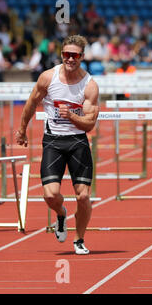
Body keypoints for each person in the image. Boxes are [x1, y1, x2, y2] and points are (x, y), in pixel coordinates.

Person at [15, 35, 99, 255]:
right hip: (53, 142)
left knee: (83, 197)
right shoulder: (47, 78)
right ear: (61, 54)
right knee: (50, 195)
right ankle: (61, 214)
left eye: (75, 55)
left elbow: (89, 125)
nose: (70, 59)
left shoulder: (89, 85)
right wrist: (22, 129)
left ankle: (79, 240)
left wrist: (71, 116)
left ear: (81, 57)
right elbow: (31, 103)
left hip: (78, 142)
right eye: (66, 54)